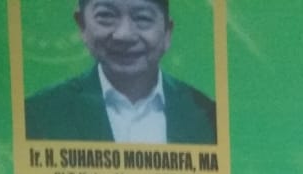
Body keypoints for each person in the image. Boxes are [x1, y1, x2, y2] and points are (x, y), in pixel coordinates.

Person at [25, 0, 216, 144]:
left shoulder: (208, 116)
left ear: (168, 32)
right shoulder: (39, 115)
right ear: (82, 25)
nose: (124, 35)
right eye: (106, 16)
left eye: (142, 18)